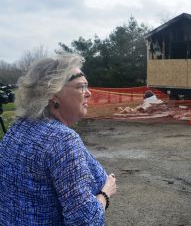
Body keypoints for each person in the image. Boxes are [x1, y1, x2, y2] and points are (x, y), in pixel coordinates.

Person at [0, 54, 117, 225]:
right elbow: (83, 221)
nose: (89, 93)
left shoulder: (19, 127)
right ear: (54, 93)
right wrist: (106, 193)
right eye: (81, 87)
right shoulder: (62, 140)